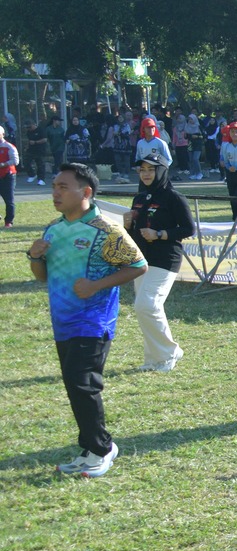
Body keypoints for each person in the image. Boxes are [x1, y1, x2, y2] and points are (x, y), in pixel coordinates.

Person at [28, 163, 145, 477]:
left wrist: (95, 285)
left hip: (93, 320)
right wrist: (35, 256)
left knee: (83, 385)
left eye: (63, 187)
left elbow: (138, 265)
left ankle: (102, 449)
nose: (55, 192)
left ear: (86, 192)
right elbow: (42, 277)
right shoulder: (53, 229)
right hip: (63, 321)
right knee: (74, 385)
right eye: (54, 186)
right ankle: (89, 447)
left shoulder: (105, 229)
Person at [122, 155, 195, 373]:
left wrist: (161, 234)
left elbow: (188, 229)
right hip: (142, 260)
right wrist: (128, 226)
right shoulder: (140, 197)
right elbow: (136, 233)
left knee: (147, 305)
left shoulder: (173, 197)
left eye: (151, 170)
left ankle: (170, 353)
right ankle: (153, 358)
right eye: (142, 170)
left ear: (162, 171)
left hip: (165, 259)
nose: (145, 174)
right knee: (145, 309)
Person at [0, 124, 16, 227]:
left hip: (7, 176)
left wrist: (4, 164)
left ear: (2, 134)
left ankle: (8, 221)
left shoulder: (9, 146)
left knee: (9, 200)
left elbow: (15, 160)